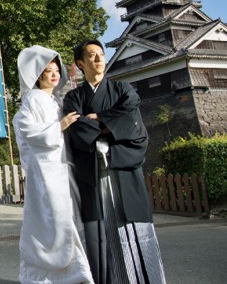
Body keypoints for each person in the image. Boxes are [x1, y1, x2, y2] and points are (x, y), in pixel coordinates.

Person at [63, 39, 166, 284]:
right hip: (94, 173)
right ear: (80, 63)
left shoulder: (124, 90)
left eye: (101, 54)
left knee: (133, 227)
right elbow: (76, 130)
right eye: (91, 56)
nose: (99, 59)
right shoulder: (74, 97)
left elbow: (134, 124)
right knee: (102, 231)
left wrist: (97, 119)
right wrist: (110, 127)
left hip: (124, 169)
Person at [13, 45, 93, 284]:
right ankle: (49, 275)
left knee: (67, 219)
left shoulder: (56, 101)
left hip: (62, 168)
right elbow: (27, 130)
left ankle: (76, 272)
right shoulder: (33, 100)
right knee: (53, 222)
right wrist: (58, 127)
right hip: (46, 172)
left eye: (57, 70)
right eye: (48, 71)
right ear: (38, 76)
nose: (55, 74)